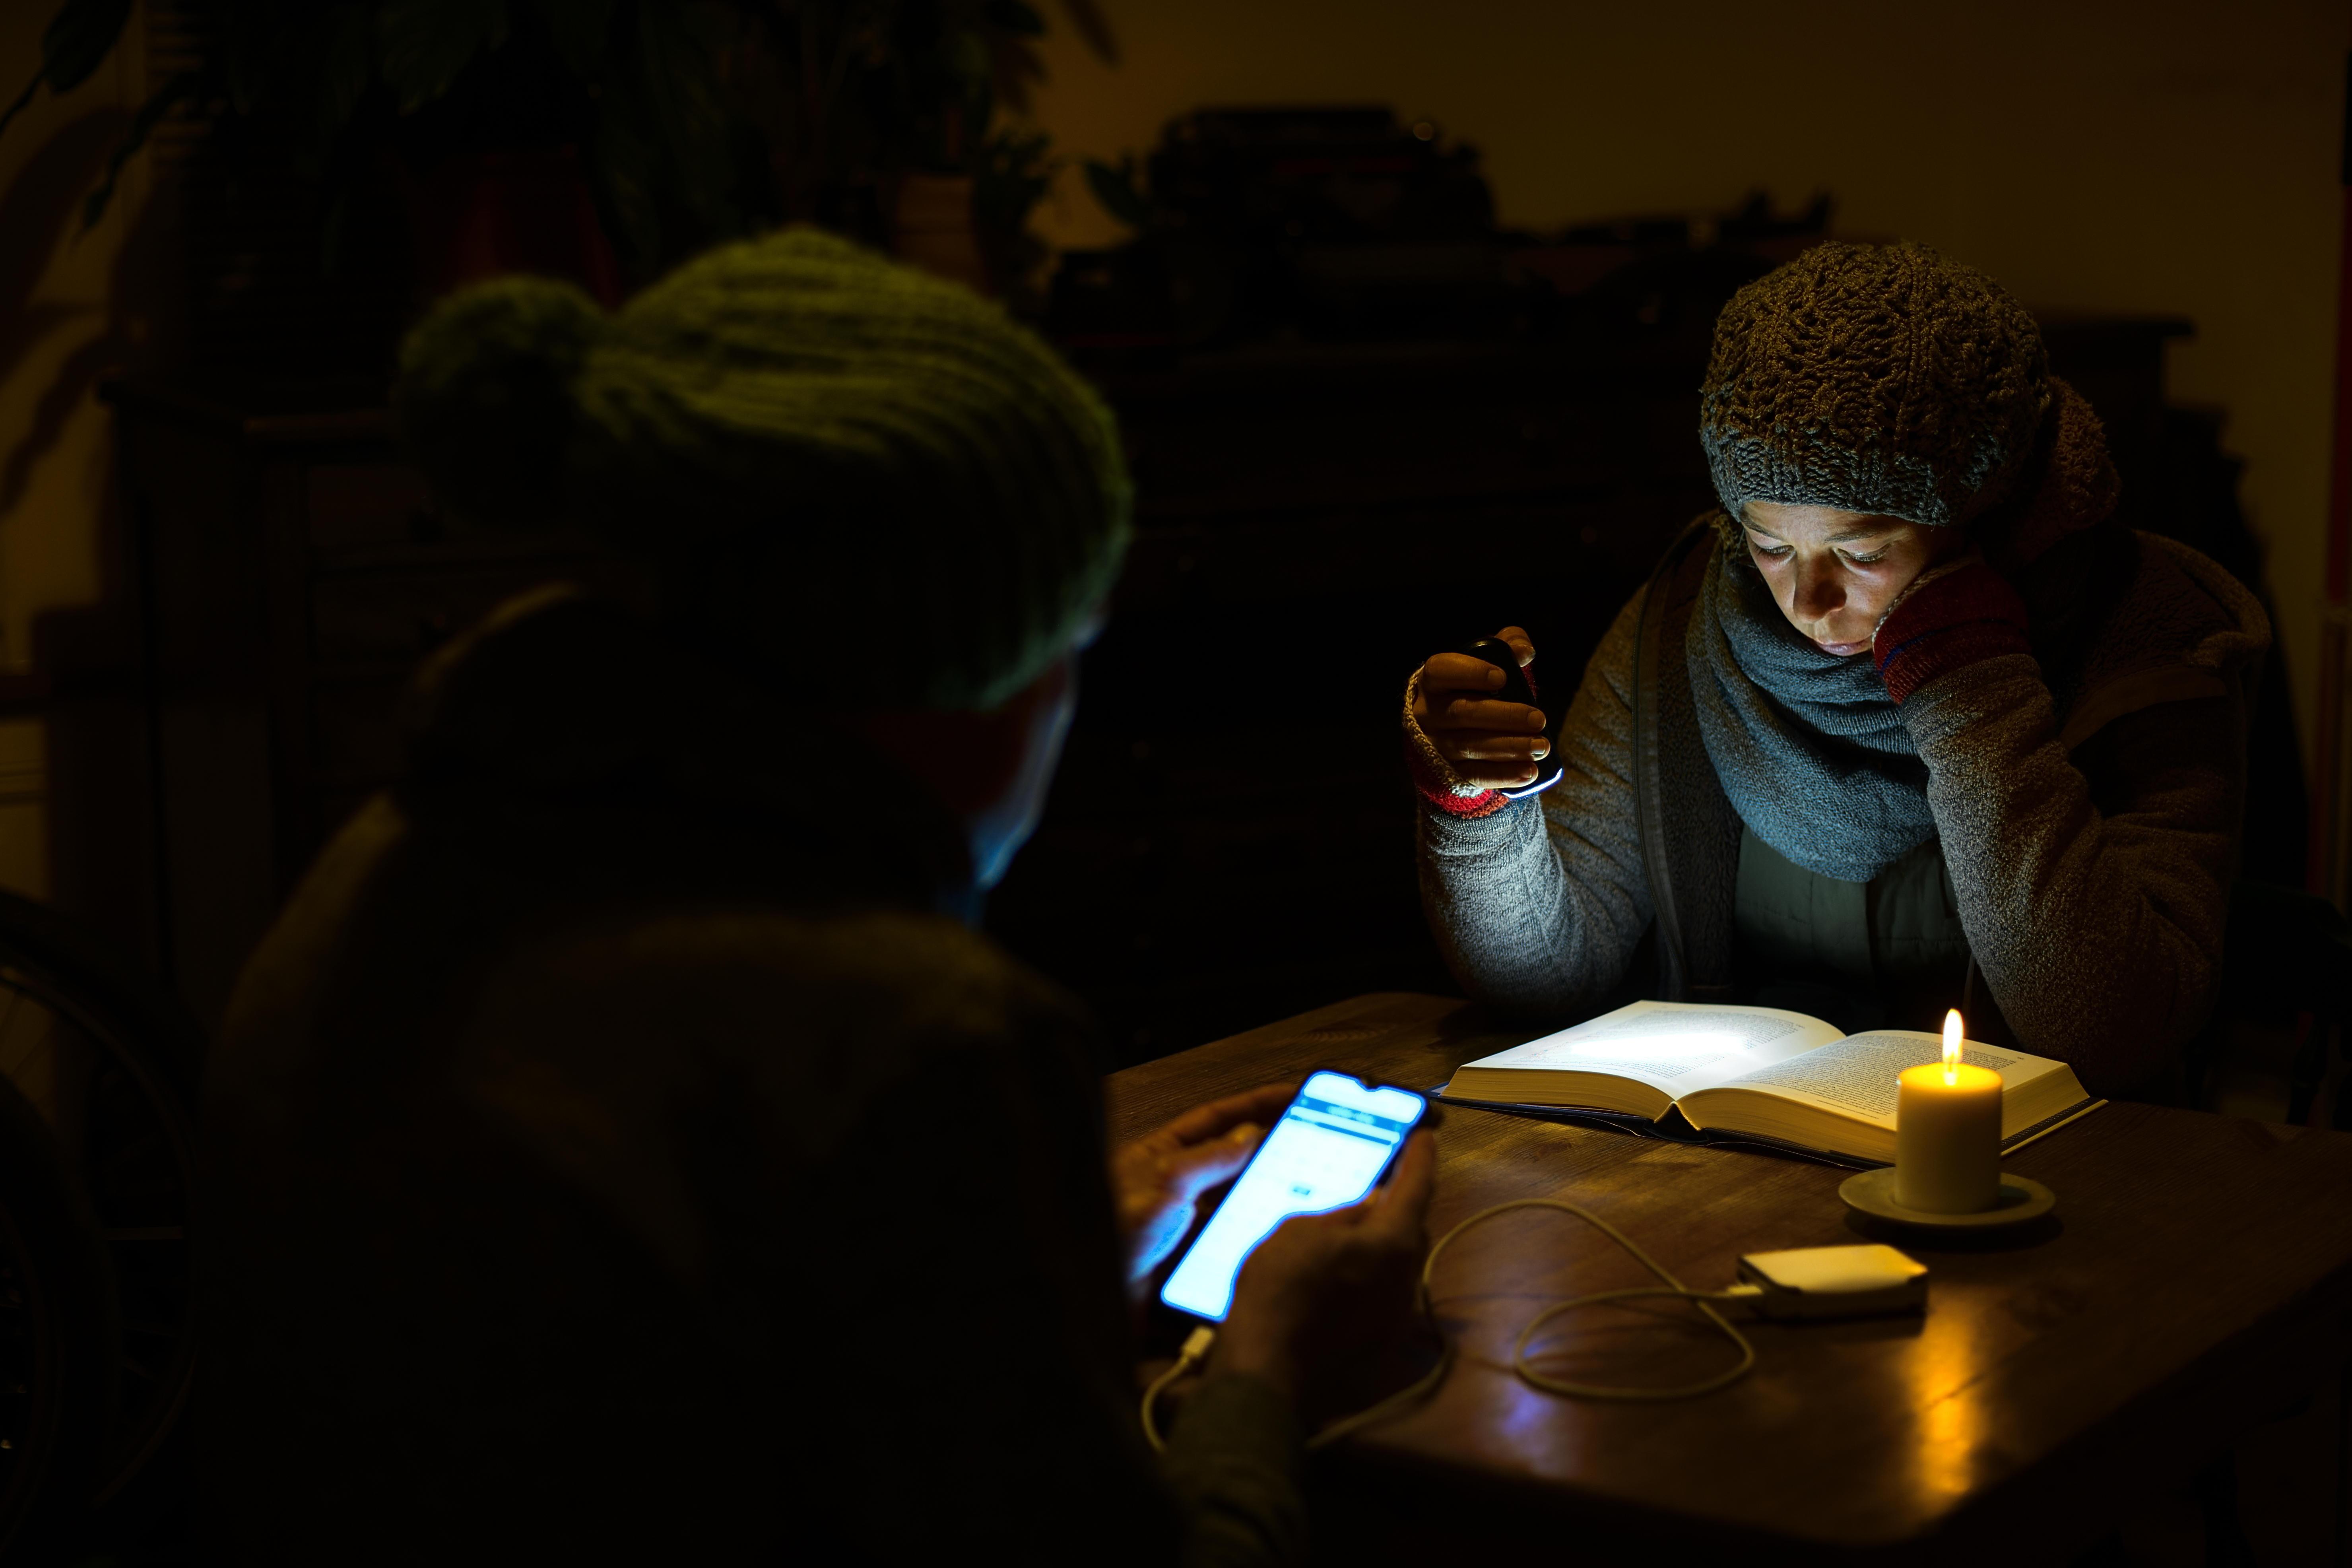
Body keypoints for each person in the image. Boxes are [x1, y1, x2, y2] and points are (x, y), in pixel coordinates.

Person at [200, 229, 1432, 1564]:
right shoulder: (910, 1026)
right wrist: (1264, 1365)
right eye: (1069, 639)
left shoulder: (384, 861)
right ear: (963, 671)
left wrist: (1036, 1259)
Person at [1405, 242, 2268, 1098]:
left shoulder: (2140, 643)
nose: (1810, 601)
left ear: (1984, 513)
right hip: (1729, 1169)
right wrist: (1476, 811)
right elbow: (1546, 975)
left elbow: (2117, 1034)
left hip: (2054, 1192)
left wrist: (1971, 686)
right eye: (1771, 544)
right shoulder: (1684, 631)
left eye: (1863, 551)